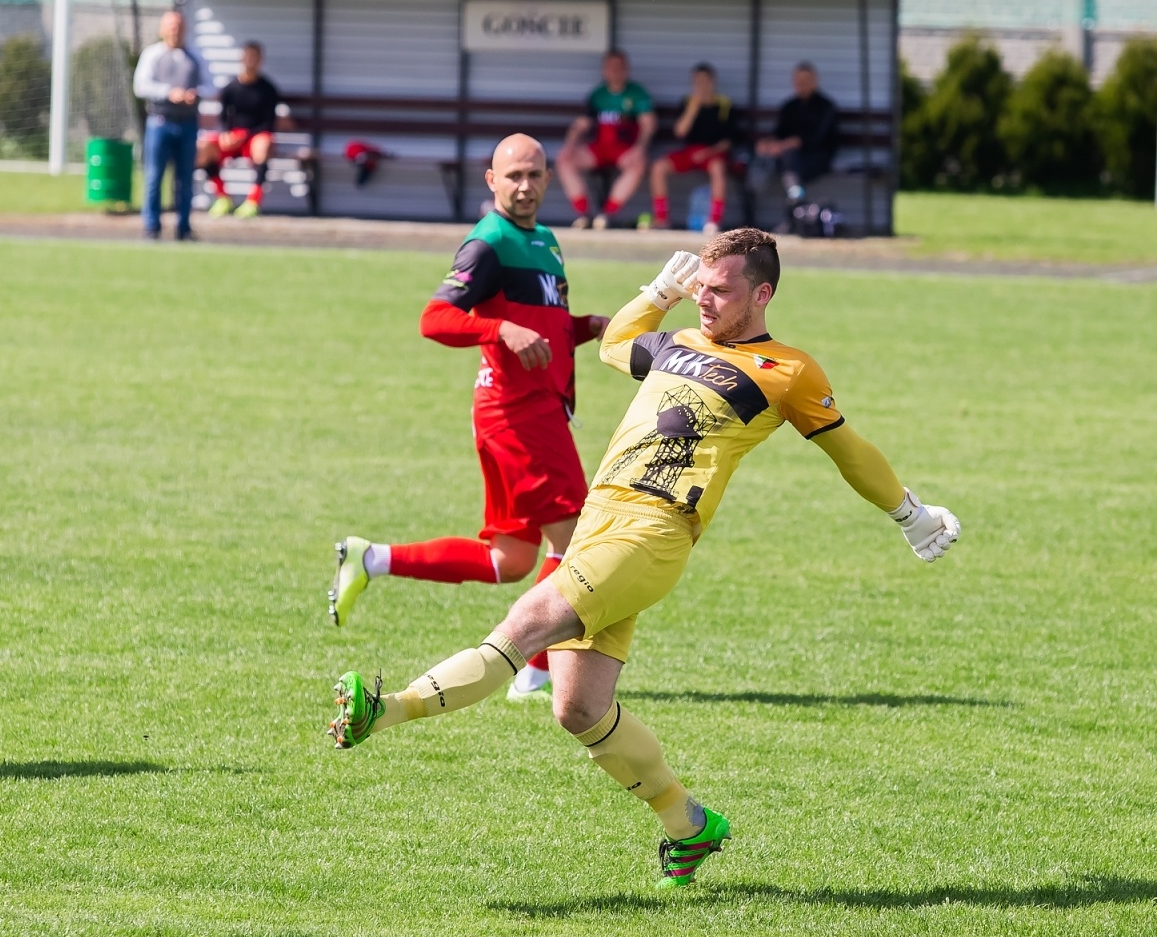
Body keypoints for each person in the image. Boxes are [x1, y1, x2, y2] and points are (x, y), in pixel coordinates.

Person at [327, 229, 961, 889]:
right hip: (601, 522)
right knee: (577, 707)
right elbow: (613, 344)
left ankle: (386, 708)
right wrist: (657, 293)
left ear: (762, 293)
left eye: (720, 290)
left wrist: (909, 514)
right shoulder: (677, 341)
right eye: (700, 287)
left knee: (526, 622)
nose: (704, 300)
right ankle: (690, 825)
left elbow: (848, 451)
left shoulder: (788, 371)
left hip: (654, 531)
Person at [329, 134, 609, 700]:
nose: (524, 186)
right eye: (513, 176)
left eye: (534, 175)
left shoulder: (547, 241)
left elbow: (542, 327)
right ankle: (535, 669)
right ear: (492, 181)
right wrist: (498, 329)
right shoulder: (487, 243)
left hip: (530, 410)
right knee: (576, 539)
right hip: (517, 414)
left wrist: (585, 326)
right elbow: (434, 319)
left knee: (511, 560)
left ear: (548, 179)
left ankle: (371, 558)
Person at [133, 11, 211, 241]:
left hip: (187, 123)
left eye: (178, 26)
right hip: (160, 121)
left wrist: (195, 94)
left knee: (186, 178)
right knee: (154, 176)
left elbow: (211, 85)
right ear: (162, 29)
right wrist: (169, 93)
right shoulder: (152, 54)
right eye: (170, 26)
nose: (174, 30)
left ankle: (184, 227)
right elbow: (141, 86)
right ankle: (151, 226)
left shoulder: (195, 56)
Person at [557, 51, 657, 230]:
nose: (615, 71)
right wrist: (570, 145)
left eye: (619, 67)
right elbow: (581, 124)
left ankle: (606, 215)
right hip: (600, 148)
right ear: (604, 70)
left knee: (638, 163)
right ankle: (583, 214)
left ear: (626, 69)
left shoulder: (636, 93)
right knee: (565, 159)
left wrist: (640, 148)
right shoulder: (598, 94)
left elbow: (648, 124)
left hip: (625, 149)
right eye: (611, 67)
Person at [198, 41, 286, 220]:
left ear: (261, 60)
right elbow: (223, 118)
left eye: (255, 57)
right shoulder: (231, 88)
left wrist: (245, 135)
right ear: (242, 59)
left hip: (254, 137)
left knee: (264, 144)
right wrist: (226, 134)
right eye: (248, 57)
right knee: (204, 146)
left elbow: (269, 123)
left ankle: (253, 201)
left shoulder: (268, 89)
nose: (251, 61)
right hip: (234, 138)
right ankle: (223, 198)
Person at [650, 63, 737, 233]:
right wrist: (693, 108)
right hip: (690, 153)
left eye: (705, 81)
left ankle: (714, 221)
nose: (701, 86)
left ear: (713, 82)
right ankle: (662, 218)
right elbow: (680, 132)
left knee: (718, 168)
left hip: (713, 153)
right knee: (658, 167)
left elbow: (728, 141)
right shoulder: (687, 102)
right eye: (697, 82)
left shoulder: (724, 105)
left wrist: (708, 152)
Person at [754, 62, 839, 213]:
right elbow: (779, 133)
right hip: (789, 160)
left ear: (814, 81)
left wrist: (787, 145)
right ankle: (795, 205)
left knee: (790, 163)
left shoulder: (826, 107)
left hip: (817, 159)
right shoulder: (789, 106)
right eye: (798, 81)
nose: (801, 84)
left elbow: (813, 139)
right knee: (763, 160)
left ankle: (796, 206)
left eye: (805, 81)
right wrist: (768, 144)